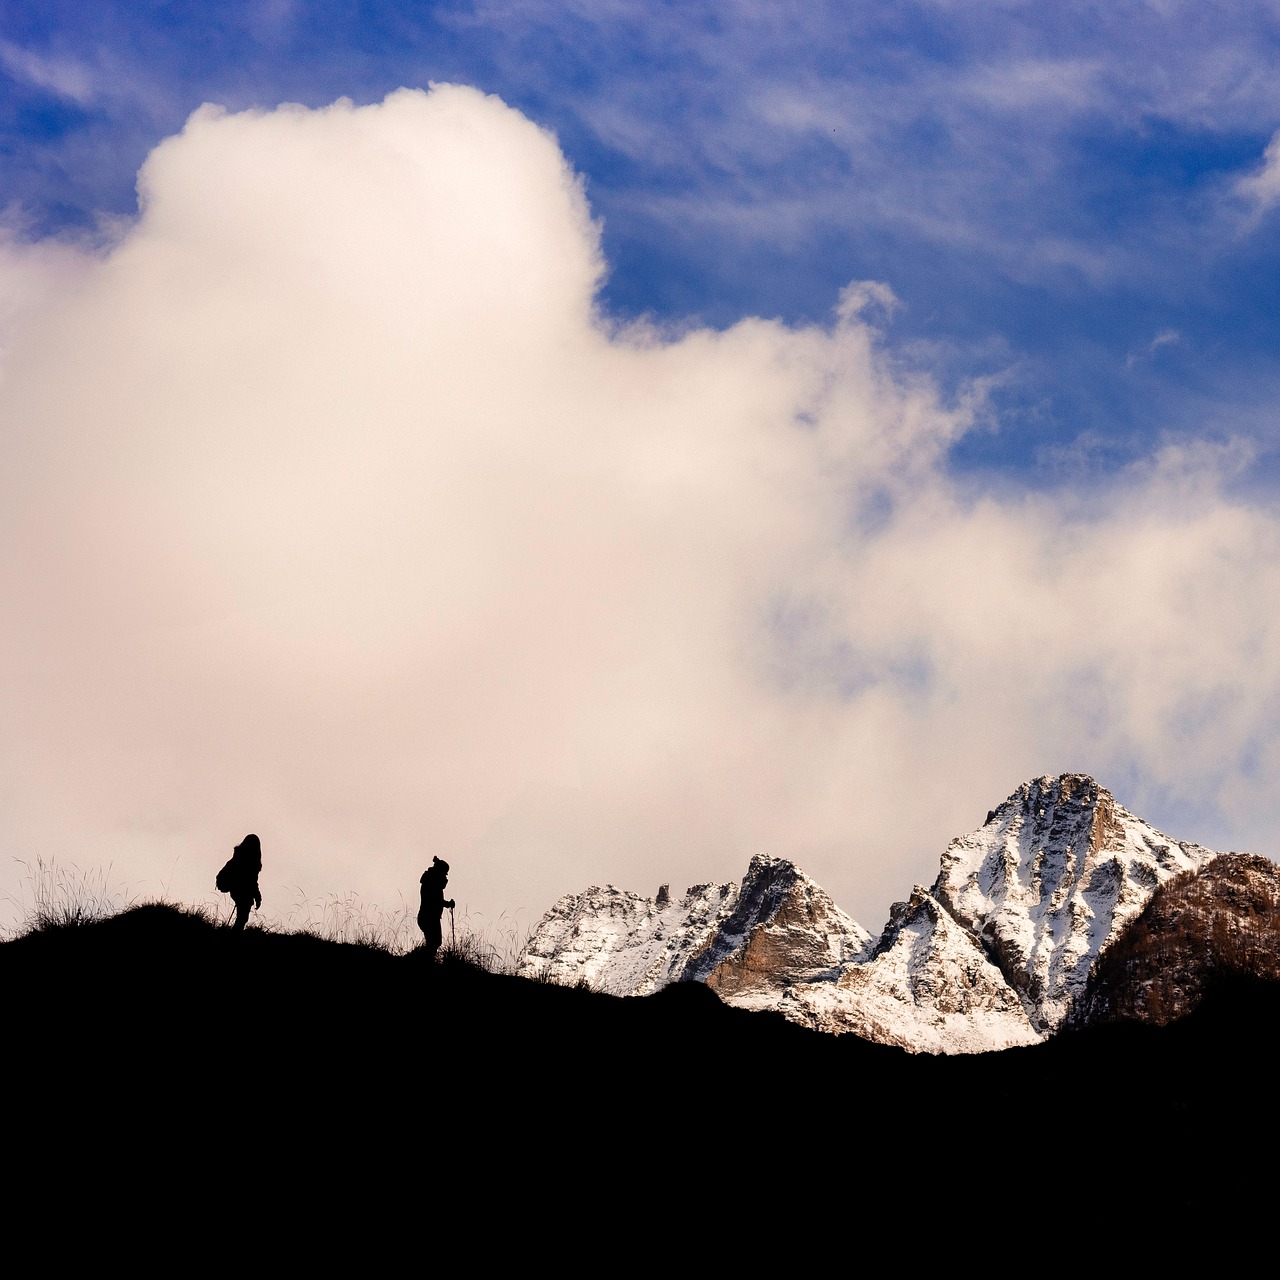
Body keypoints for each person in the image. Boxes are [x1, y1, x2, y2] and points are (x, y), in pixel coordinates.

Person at [216, 833, 262, 931]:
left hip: (237, 888)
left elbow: (252, 881)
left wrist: (256, 896)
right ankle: (235, 934)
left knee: (242, 916)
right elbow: (252, 881)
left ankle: (235, 933)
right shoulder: (250, 860)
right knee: (243, 917)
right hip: (240, 888)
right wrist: (257, 897)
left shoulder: (238, 856)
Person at [418, 856, 455, 961]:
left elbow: (436, 899)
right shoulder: (431, 884)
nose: (445, 878)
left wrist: (447, 904)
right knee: (434, 942)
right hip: (429, 917)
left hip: (428, 917)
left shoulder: (430, 883)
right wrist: (448, 904)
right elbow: (435, 900)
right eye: (444, 874)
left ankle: (425, 960)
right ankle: (425, 961)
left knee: (434, 942)